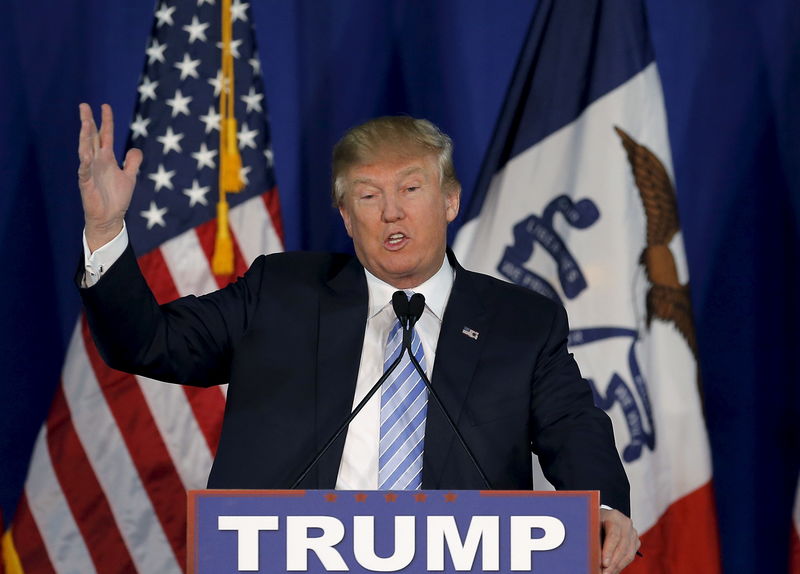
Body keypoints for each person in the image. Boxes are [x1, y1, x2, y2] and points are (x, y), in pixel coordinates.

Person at [77, 103, 640, 572]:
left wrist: (605, 503)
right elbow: (146, 343)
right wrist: (105, 232)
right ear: (347, 217)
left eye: (411, 188)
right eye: (368, 196)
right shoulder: (280, 293)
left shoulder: (521, 321)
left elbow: (573, 427)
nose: (391, 211)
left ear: (450, 200)